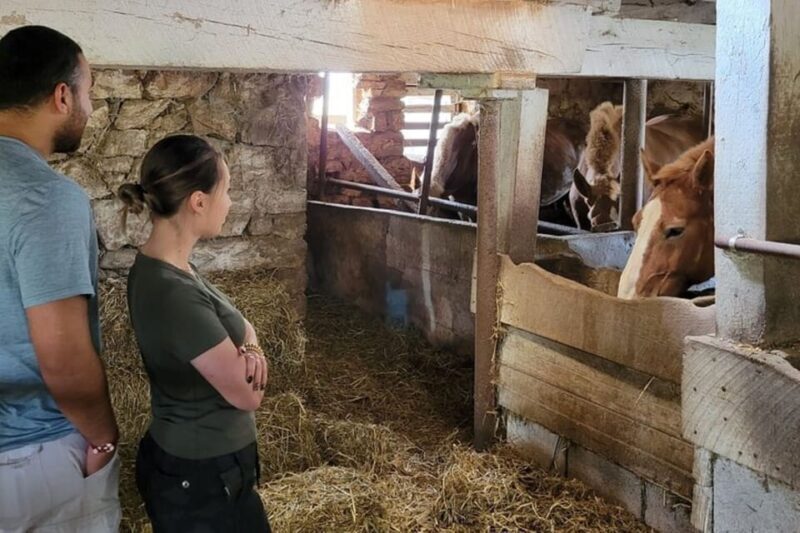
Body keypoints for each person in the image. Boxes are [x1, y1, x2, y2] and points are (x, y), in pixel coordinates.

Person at [0, 26, 121, 532]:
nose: (90, 110)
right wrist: (104, 438)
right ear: (62, 95)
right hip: (34, 456)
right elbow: (65, 360)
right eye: (88, 92)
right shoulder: (47, 198)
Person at [118, 134, 271, 532]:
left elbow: (244, 327)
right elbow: (247, 393)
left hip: (205, 470)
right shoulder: (173, 293)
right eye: (228, 191)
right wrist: (252, 352)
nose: (231, 202)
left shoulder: (169, 268)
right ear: (198, 201)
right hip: (202, 479)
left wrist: (250, 343)